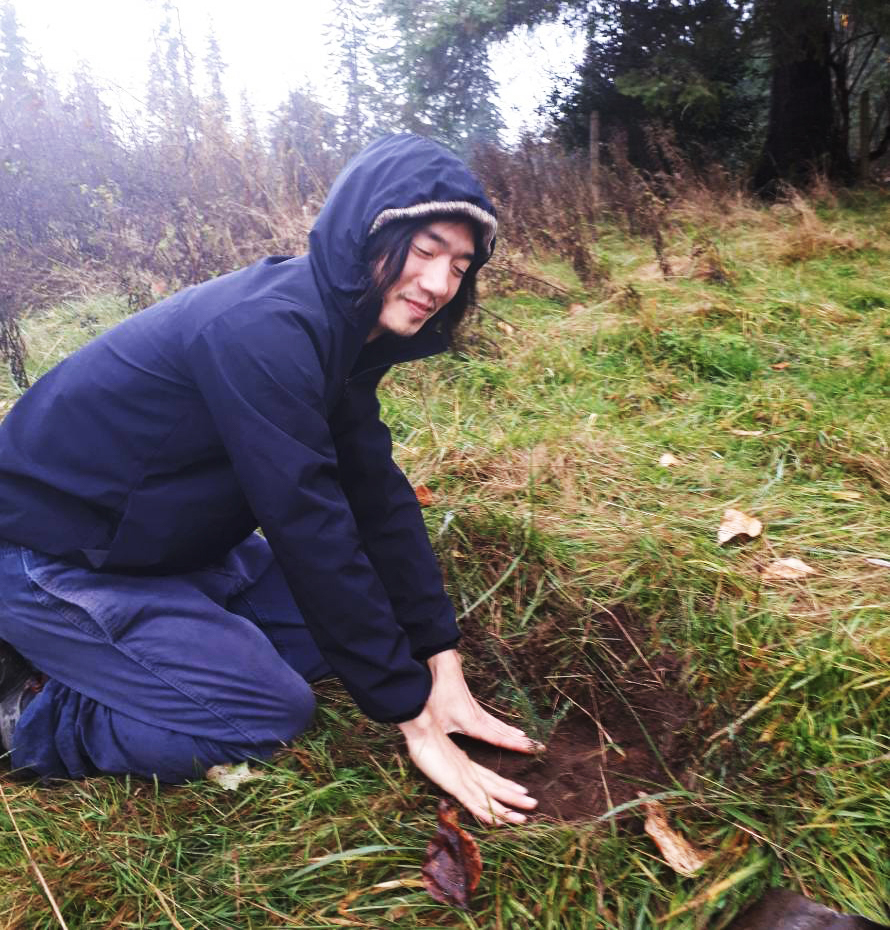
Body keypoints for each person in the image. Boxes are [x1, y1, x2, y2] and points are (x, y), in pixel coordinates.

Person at [0, 134, 539, 825]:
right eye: (426, 249)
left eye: (461, 265)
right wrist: (415, 722)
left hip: (155, 549)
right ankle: (33, 710)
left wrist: (440, 663)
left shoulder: (339, 335)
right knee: (266, 708)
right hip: (46, 554)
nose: (439, 283)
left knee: (347, 627)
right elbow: (308, 521)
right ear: (363, 233)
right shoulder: (265, 329)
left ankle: (149, 650)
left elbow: (374, 497)